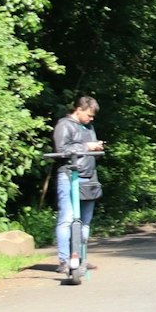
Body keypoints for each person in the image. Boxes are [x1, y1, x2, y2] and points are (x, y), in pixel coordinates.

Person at [52, 96, 105, 277]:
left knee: (85, 221)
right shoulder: (64, 125)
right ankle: (64, 261)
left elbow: (89, 149)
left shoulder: (89, 127)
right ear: (79, 109)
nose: (91, 119)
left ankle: (81, 258)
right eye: (89, 115)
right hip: (69, 176)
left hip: (89, 177)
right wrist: (86, 146)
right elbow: (61, 150)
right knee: (67, 219)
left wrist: (95, 148)